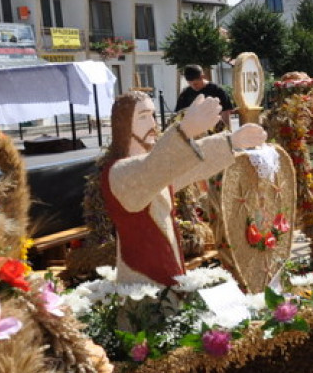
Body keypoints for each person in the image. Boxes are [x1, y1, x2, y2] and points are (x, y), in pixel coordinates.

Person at [102, 91, 266, 286]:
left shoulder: (158, 168)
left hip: (170, 275)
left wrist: (232, 141)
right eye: (143, 117)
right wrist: (185, 129)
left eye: (153, 116)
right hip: (141, 286)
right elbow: (151, 168)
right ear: (123, 123)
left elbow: (190, 166)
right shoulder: (118, 172)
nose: (153, 125)